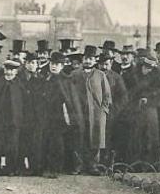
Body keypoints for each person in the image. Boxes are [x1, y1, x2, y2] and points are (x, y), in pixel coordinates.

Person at [71, 45, 111, 174]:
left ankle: (93, 165)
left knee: (95, 139)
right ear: (83, 59)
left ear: (95, 61)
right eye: (86, 58)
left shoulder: (100, 75)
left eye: (91, 59)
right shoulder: (75, 74)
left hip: (96, 113)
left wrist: (103, 110)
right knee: (79, 137)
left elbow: (107, 94)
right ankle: (78, 165)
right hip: (79, 112)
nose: (88, 61)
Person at [127, 54, 160, 165]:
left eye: (149, 68)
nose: (147, 70)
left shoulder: (157, 79)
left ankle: (151, 164)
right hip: (136, 111)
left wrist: (149, 98)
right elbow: (128, 94)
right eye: (145, 67)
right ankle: (135, 164)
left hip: (150, 111)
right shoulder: (133, 77)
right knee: (136, 137)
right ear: (141, 66)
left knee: (150, 137)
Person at [40, 52, 71, 178]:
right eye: (52, 63)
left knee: (56, 143)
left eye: (57, 64)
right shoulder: (47, 78)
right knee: (46, 141)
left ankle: (55, 168)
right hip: (47, 115)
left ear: (62, 66)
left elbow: (69, 99)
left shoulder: (65, 80)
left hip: (59, 116)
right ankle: (46, 167)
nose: (54, 66)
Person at [0, 60, 25, 176]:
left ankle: (11, 168)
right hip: (0, 120)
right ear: (4, 70)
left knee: (13, 145)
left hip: (14, 120)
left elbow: (23, 103)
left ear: (16, 72)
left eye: (12, 70)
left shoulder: (19, 84)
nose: (9, 72)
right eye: (7, 69)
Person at [98, 53, 128, 164]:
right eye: (102, 65)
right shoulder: (93, 77)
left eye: (106, 64)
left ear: (111, 64)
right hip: (96, 113)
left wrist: (114, 110)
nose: (104, 67)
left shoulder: (116, 78)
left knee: (109, 139)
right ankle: (95, 163)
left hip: (111, 114)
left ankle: (107, 163)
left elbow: (123, 97)